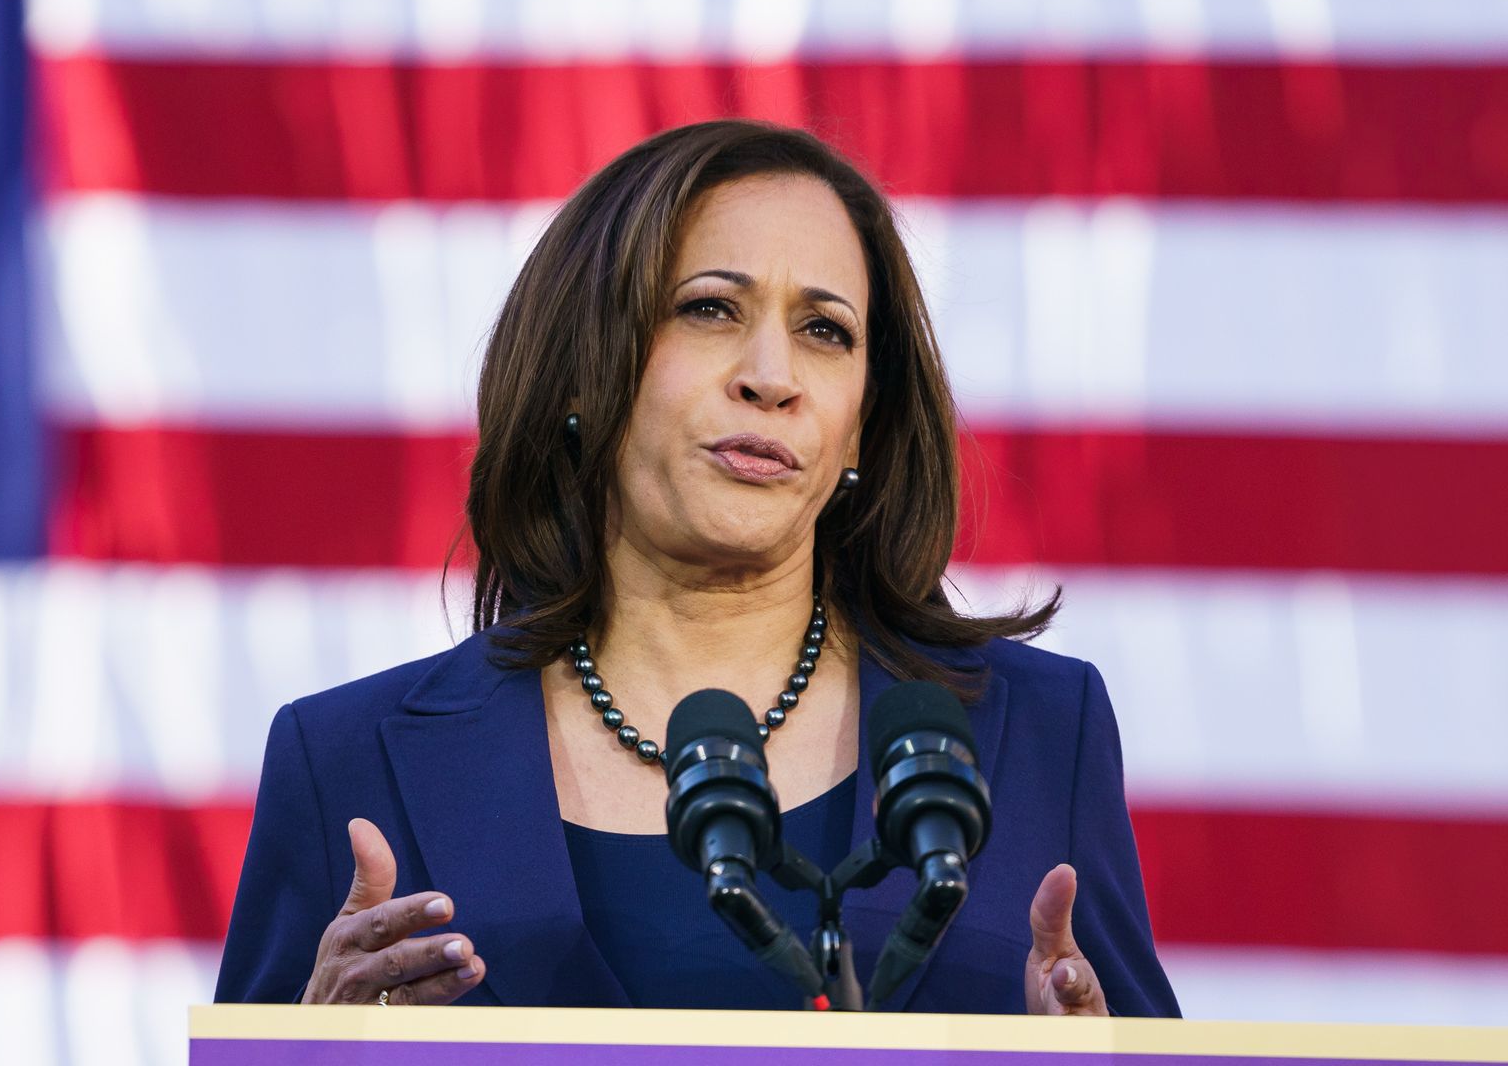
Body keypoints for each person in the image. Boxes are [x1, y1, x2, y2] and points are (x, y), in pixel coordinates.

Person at [213, 119, 1180, 1016]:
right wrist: (310, 1048)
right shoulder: (345, 761)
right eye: (711, 309)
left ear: (861, 427)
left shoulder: (1042, 735)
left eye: (825, 330)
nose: (772, 375)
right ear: (585, 371)